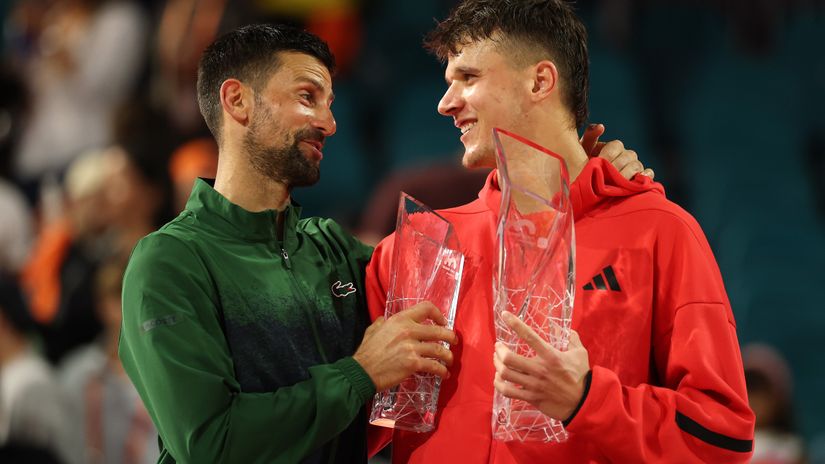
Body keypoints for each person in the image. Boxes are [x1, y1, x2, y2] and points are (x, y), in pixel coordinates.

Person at [364, 1, 755, 462]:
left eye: (468, 79)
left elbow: (721, 438)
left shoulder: (661, 233)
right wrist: (362, 379)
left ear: (540, 81)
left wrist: (587, 400)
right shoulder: (416, 248)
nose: (445, 103)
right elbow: (349, 438)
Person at [118, 24, 457, 464]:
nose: (330, 124)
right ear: (236, 101)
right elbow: (210, 444)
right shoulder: (170, 262)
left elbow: (453, 286)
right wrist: (361, 374)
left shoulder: (333, 247)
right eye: (306, 97)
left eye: (330, 105)